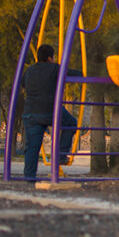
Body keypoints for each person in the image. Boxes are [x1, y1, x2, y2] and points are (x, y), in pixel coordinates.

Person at [21, 44, 82, 181]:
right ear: (50, 58)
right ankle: (61, 154)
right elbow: (75, 74)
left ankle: (29, 177)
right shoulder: (54, 68)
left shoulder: (29, 71)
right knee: (71, 123)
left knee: (32, 147)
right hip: (50, 110)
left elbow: (23, 83)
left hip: (31, 113)